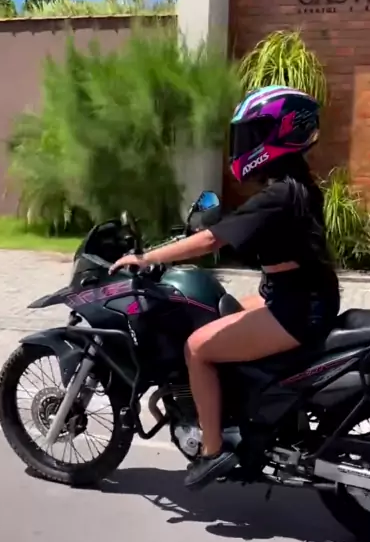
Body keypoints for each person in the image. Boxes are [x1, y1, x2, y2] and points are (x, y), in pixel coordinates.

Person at [109, 86, 340, 490]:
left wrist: (147, 258)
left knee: (197, 348)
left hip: (296, 308)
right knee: (221, 309)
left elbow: (211, 240)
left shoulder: (279, 195)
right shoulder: (297, 187)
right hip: (299, 296)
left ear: (281, 133)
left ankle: (213, 450)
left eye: (254, 133)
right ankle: (244, 410)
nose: (245, 143)